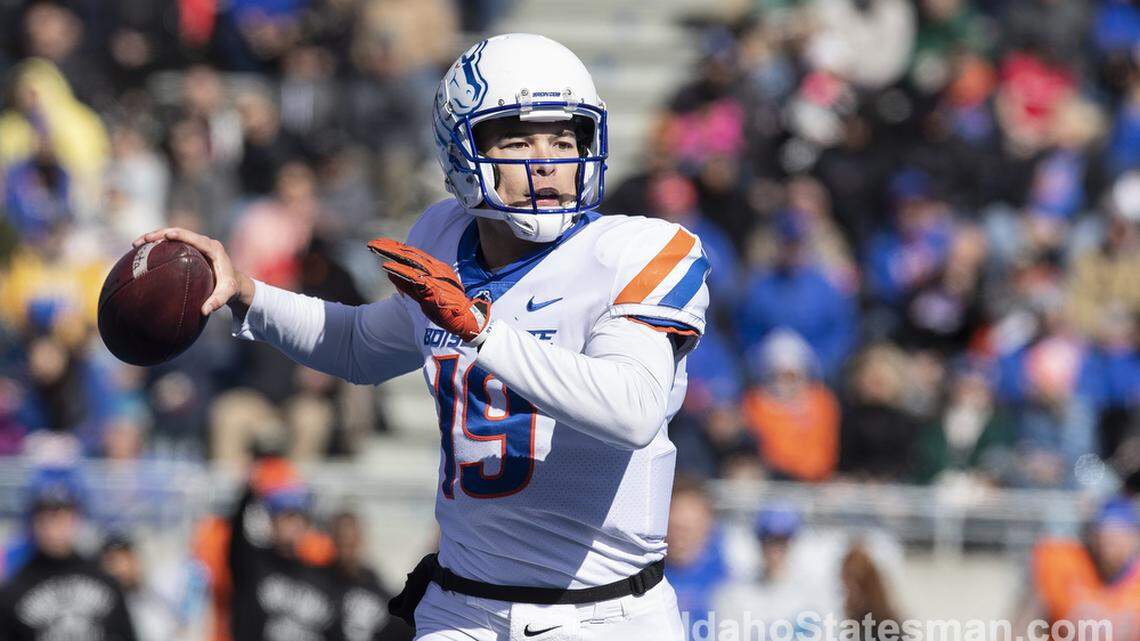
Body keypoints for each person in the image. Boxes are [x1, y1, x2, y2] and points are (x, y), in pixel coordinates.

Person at [135, 33, 710, 640]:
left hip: (604, 613)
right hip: (462, 608)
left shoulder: (641, 251)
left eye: (563, 139)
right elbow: (360, 346)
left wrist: (481, 330)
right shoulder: (443, 236)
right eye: (517, 139)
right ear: (463, 151)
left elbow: (633, 410)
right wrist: (248, 292)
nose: (546, 160)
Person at [0, 467, 137, 641]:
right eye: (46, 517)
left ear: (76, 519)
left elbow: (127, 634)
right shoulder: (13, 590)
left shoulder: (105, 580)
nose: (54, 526)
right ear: (33, 522)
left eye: (62, 516)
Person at [227, 457, 343, 641]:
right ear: (272, 522)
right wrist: (251, 488)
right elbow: (236, 532)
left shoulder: (320, 576)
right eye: (288, 517)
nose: (295, 524)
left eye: (301, 518)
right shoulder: (252, 564)